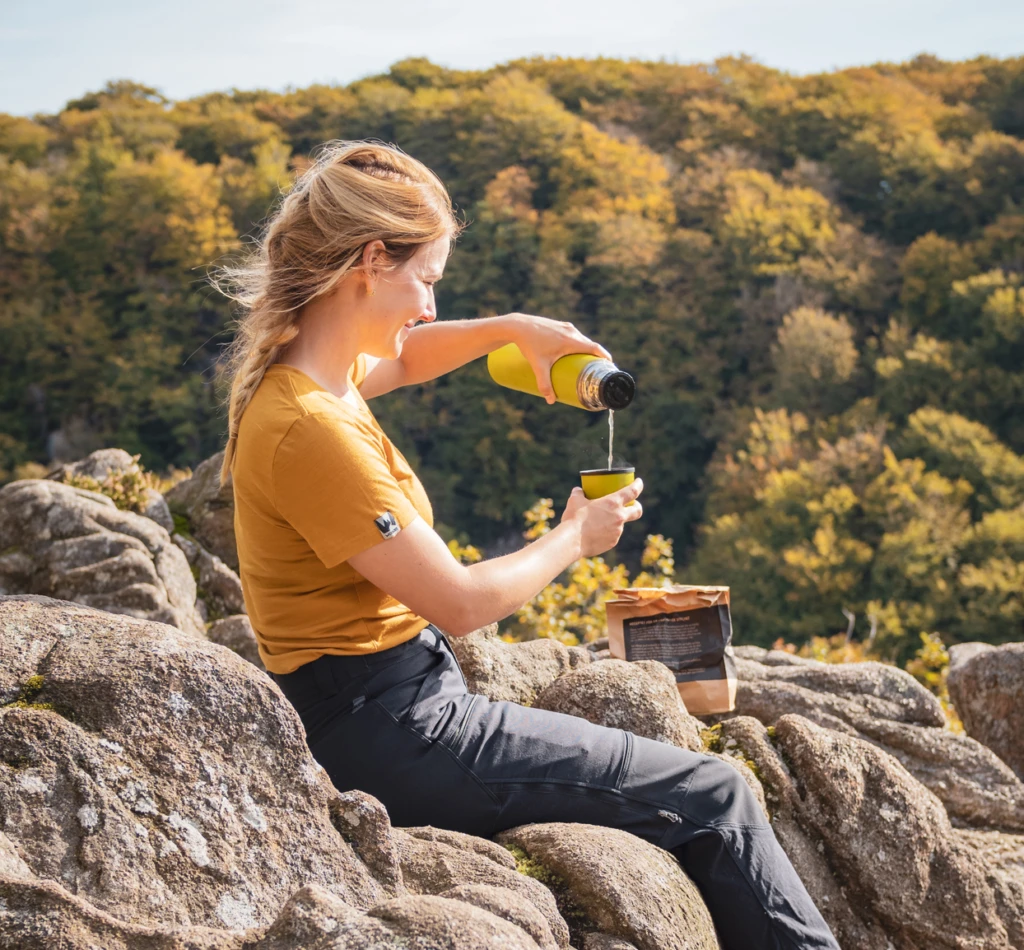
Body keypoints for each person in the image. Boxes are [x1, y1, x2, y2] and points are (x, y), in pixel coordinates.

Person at [216, 140, 840, 950]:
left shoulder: (307, 377)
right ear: (372, 258)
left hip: (380, 707)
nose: (431, 307)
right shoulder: (308, 428)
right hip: (392, 727)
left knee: (689, 783)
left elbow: (403, 357)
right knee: (716, 795)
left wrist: (514, 330)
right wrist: (575, 536)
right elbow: (459, 604)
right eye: (428, 279)